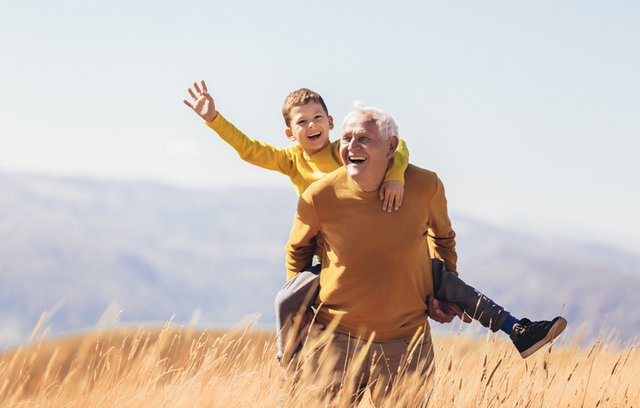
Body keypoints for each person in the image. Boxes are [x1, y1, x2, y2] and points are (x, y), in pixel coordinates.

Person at [182, 82, 566, 365]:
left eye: (318, 118)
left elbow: (397, 146)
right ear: (290, 132)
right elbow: (250, 151)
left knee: (446, 280)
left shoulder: (347, 148)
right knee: (288, 298)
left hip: (390, 256)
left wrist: (397, 174)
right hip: (330, 262)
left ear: (330, 122)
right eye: (302, 122)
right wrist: (214, 119)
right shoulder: (291, 161)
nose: (312, 125)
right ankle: (291, 356)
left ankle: (517, 328)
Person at [284, 105, 567, 394]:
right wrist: (301, 307)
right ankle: (517, 328)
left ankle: (517, 329)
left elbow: (443, 238)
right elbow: (298, 251)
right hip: (336, 342)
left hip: (407, 345)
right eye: (346, 139)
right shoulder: (319, 196)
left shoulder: (424, 186)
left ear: (391, 146)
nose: (351, 147)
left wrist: (441, 297)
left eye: (363, 139)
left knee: (435, 272)